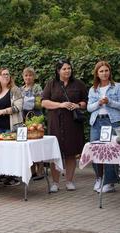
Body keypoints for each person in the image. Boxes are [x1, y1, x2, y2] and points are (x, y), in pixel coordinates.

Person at [42, 59, 88, 192]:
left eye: (69, 68)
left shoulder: (78, 84)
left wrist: (78, 105)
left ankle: (69, 181)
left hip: (72, 123)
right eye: (64, 69)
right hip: (55, 121)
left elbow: (85, 101)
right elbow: (44, 102)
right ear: (58, 71)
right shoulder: (51, 84)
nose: (67, 71)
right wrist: (60, 105)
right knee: (55, 153)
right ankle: (55, 183)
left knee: (71, 152)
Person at [87, 61, 120, 193]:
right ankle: (99, 178)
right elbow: (89, 108)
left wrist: (109, 102)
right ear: (97, 73)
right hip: (96, 123)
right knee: (95, 151)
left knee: (110, 152)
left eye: (106, 70)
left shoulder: (117, 86)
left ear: (109, 72)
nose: (104, 73)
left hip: (112, 122)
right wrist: (99, 103)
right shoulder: (93, 89)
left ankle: (109, 182)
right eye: (101, 71)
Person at [0, 68, 24, 186]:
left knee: (11, 153)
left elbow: (18, 107)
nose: (6, 76)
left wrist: (2, 112)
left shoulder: (15, 90)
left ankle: (12, 177)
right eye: (3, 74)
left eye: (8, 74)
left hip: (12, 126)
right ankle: (2, 174)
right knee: (0, 153)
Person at [21, 67, 44, 180]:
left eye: (30, 75)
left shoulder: (37, 88)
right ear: (23, 77)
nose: (28, 77)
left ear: (34, 77)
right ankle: (32, 170)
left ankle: (40, 170)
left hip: (36, 118)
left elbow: (39, 103)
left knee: (37, 144)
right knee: (28, 144)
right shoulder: (21, 89)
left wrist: (26, 103)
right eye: (26, 75)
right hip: (24, 118)